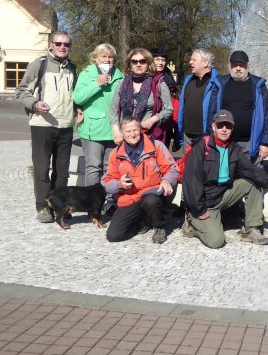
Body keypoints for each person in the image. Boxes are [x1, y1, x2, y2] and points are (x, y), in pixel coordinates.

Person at [181, 110, 268, 248]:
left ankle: (252, 229)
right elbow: (191, 182)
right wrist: (199, 210)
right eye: (220, 126)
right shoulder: (201, 147)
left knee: (252, 184)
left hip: (223, 195)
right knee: (216, 242)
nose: (224, 129)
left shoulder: (233, 148)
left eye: (228, 126)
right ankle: (191, 221)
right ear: (214, 127)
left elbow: (249, 169)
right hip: (205, 202)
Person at [16, 31, 77, 223]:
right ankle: (42, 206)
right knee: (42, 169)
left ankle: (59, 205)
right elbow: (21, 91)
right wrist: (34, 104)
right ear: (50, 44)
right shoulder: (39, 64)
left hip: (66, 126)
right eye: (58, 43)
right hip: (42, 125)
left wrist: (79, 109)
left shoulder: (73, 68)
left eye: (66, 44)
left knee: (62, 171)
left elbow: (75, 95)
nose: (62, 47)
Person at [102, 117, 178, 244]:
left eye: (135, 130)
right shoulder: (116, 154)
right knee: (113, 236)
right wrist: (118, 184)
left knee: (151, 201)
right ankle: (143, 220)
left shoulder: (156, 146)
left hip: (152, 194)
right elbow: (107, 182)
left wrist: (166, 180)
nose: (132, 134)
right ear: (122, 133)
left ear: (140, 130)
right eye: (128, 131)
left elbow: (172, 169)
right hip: (129, 199)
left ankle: (159, 225)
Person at [73, 43, 124, 188]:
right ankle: (92, 203)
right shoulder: (86, 74)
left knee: (111, 167)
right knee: (93, 167)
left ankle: (108, 199)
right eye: (104, 56)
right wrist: (97, 84)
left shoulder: (120, 76)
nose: (107, 60)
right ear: (96, 58)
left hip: (113, 129)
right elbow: (78, 98)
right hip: (92, 130)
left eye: (111, 57)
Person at [217, 50, 268, 163]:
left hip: (251, 143)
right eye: (234, 65)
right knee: (225, 178)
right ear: (229, 66)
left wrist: (265, 143)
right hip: (225, 142)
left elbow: (267, 115)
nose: (238, 68)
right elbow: (212, 113)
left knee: (252, 177)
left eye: (241, 65)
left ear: (248, 66)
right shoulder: (220, 84)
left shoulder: (258, 86)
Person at [110, 48, 172, 144]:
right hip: (126, 136)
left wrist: (154, 119)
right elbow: (113, 110)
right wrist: (116, 132)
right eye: (134, 61)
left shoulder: (158, 83)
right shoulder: (123, 83)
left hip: (148, 135)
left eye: (142, 61)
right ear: (130, 64)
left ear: (148, 63)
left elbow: (168, 109)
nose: (138, 64)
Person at [177, 48, 221, 146]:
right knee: (187, 161)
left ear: (205, 63)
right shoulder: (188, 80)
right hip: (187, 135)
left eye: (194, 60)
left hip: (206, 136)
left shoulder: (217, 83)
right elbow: (182, 108)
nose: (190, 62)